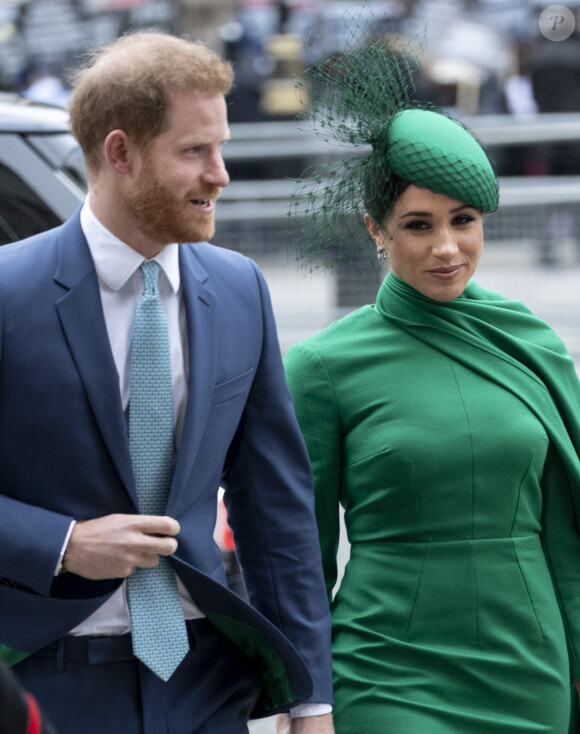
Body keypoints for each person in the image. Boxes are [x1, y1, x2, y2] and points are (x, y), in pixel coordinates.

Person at [0, 32, 334, 734]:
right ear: (120, 152)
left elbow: (275, 508)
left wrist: (311, 701)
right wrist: (62, 543)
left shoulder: (240, 289)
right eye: (194, 152)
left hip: (206, 678)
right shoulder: (8, 292)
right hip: (45, 676)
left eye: (220, 147)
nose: (221, 174)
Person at [283, 33, 580, 734]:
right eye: (419, 225)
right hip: (389, 673)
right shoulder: (323, 366)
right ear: (375, 229)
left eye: (464, 222)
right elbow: (302, 557)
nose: (447, 248)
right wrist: (308, 703)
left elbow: (567, 528)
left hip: (530, 668)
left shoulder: (530, 340)